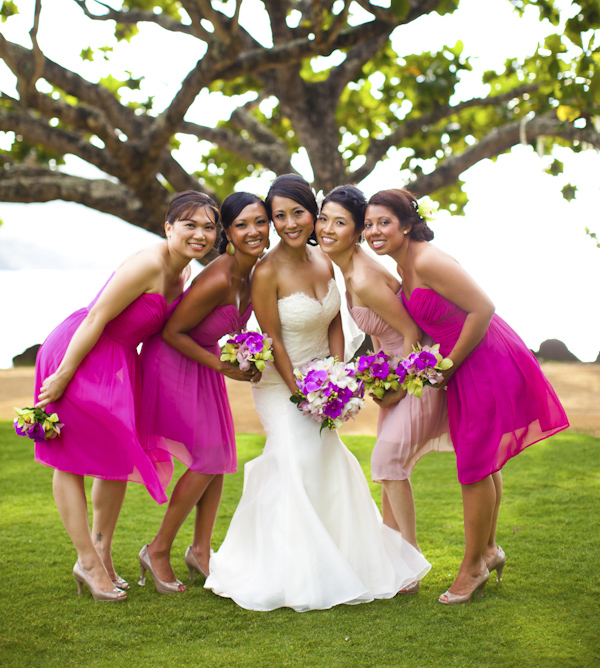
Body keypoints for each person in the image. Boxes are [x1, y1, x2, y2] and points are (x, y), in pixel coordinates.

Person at [205, 175, 430, 611]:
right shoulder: (265, 272)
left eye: (298, 213)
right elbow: (273, 339)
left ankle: (338, 560)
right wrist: (302, 396)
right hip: (281, 383)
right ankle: (282, 569)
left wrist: (336, 374)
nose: (289, 223)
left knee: (325, 460)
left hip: (323, 376)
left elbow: (331, 320)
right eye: (279, 216)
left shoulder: (324, 258)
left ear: (313, 214)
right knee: (295, 456)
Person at [364, 188, 570, 604]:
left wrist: (450, 363)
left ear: (406, 225)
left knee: (475, 466)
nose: (373, 231)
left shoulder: (426, 259)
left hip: (483, 360)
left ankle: (473, 566)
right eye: (368, 224)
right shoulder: (405, 266)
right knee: (482, 459)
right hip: (462, 365)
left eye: (383, 222)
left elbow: (484, 308)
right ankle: (489, 551)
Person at [33, 191, 219, 601]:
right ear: (168, 227)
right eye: (190, 225)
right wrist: (63, 375)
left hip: (118, 363)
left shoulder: (183, 272)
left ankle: (100, 552)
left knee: (115, 459)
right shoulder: (148, 264)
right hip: (81, 353)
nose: (200, 234)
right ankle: (86, 560)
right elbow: (97, 316)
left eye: (209, 227)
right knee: (70, 459)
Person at [316, 185, 453, 578]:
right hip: (397, 372)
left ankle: (410, 560)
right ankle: (394, 558)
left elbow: (411, 334)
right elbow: (380, 337)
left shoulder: (363, 276)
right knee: (390, 464)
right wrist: (376, 378)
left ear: (357, 231)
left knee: (387, 459)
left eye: (339, 222)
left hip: (418, 376)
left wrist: (395, 387)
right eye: (323, 219)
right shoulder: (348, 272)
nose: (326, 228)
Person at [136, 192, 270, 594]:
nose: (252, 231)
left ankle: (200, 550)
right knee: (208, 457)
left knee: (222, 455)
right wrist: (222, 366)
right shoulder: (219, 276)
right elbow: (171, 332)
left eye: (260, 222)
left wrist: (241, 357)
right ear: (227, 233)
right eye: (241, 224)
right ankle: (157, 550)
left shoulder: (255, 273)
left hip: (204, 361)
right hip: (173, 361)